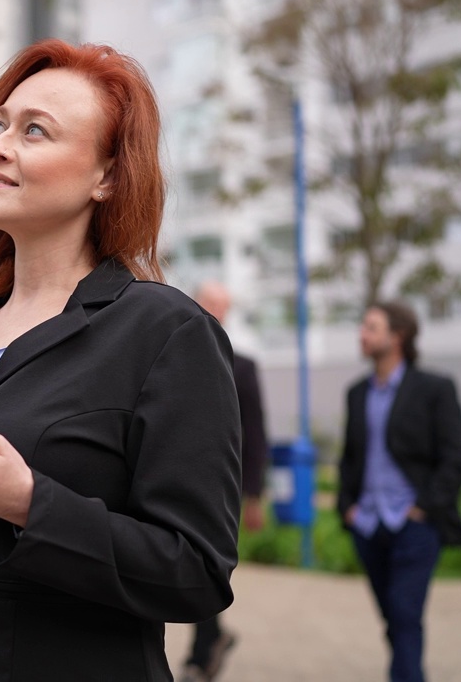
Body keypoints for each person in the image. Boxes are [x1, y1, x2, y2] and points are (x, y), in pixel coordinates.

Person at [0, 39, 242, 682]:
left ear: (106, 176)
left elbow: (196, 570)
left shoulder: (166, 334)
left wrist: (28, 504)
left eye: (35, 131)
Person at [338, 300, 461, 682]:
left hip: (414, 525)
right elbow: (350, 458)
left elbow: (456, 456)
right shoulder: (357, 393)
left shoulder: (434, 389)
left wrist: (424, 506)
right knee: (394, 618)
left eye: (371, 327)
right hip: (368, 524)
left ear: (398, 337)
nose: (361, 335)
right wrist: (347, 506)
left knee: (404, 612)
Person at [180, 282, 270, 682]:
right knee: (187, 562)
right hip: (177, 477)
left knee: (204, 564)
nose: (216, 312)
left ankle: (205, 648)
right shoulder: (175, 356)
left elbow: (256, 434)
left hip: (224, 486)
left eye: (222, 306)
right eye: (209, 304)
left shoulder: (243, 366)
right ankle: (211, 640)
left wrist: (254, 496)